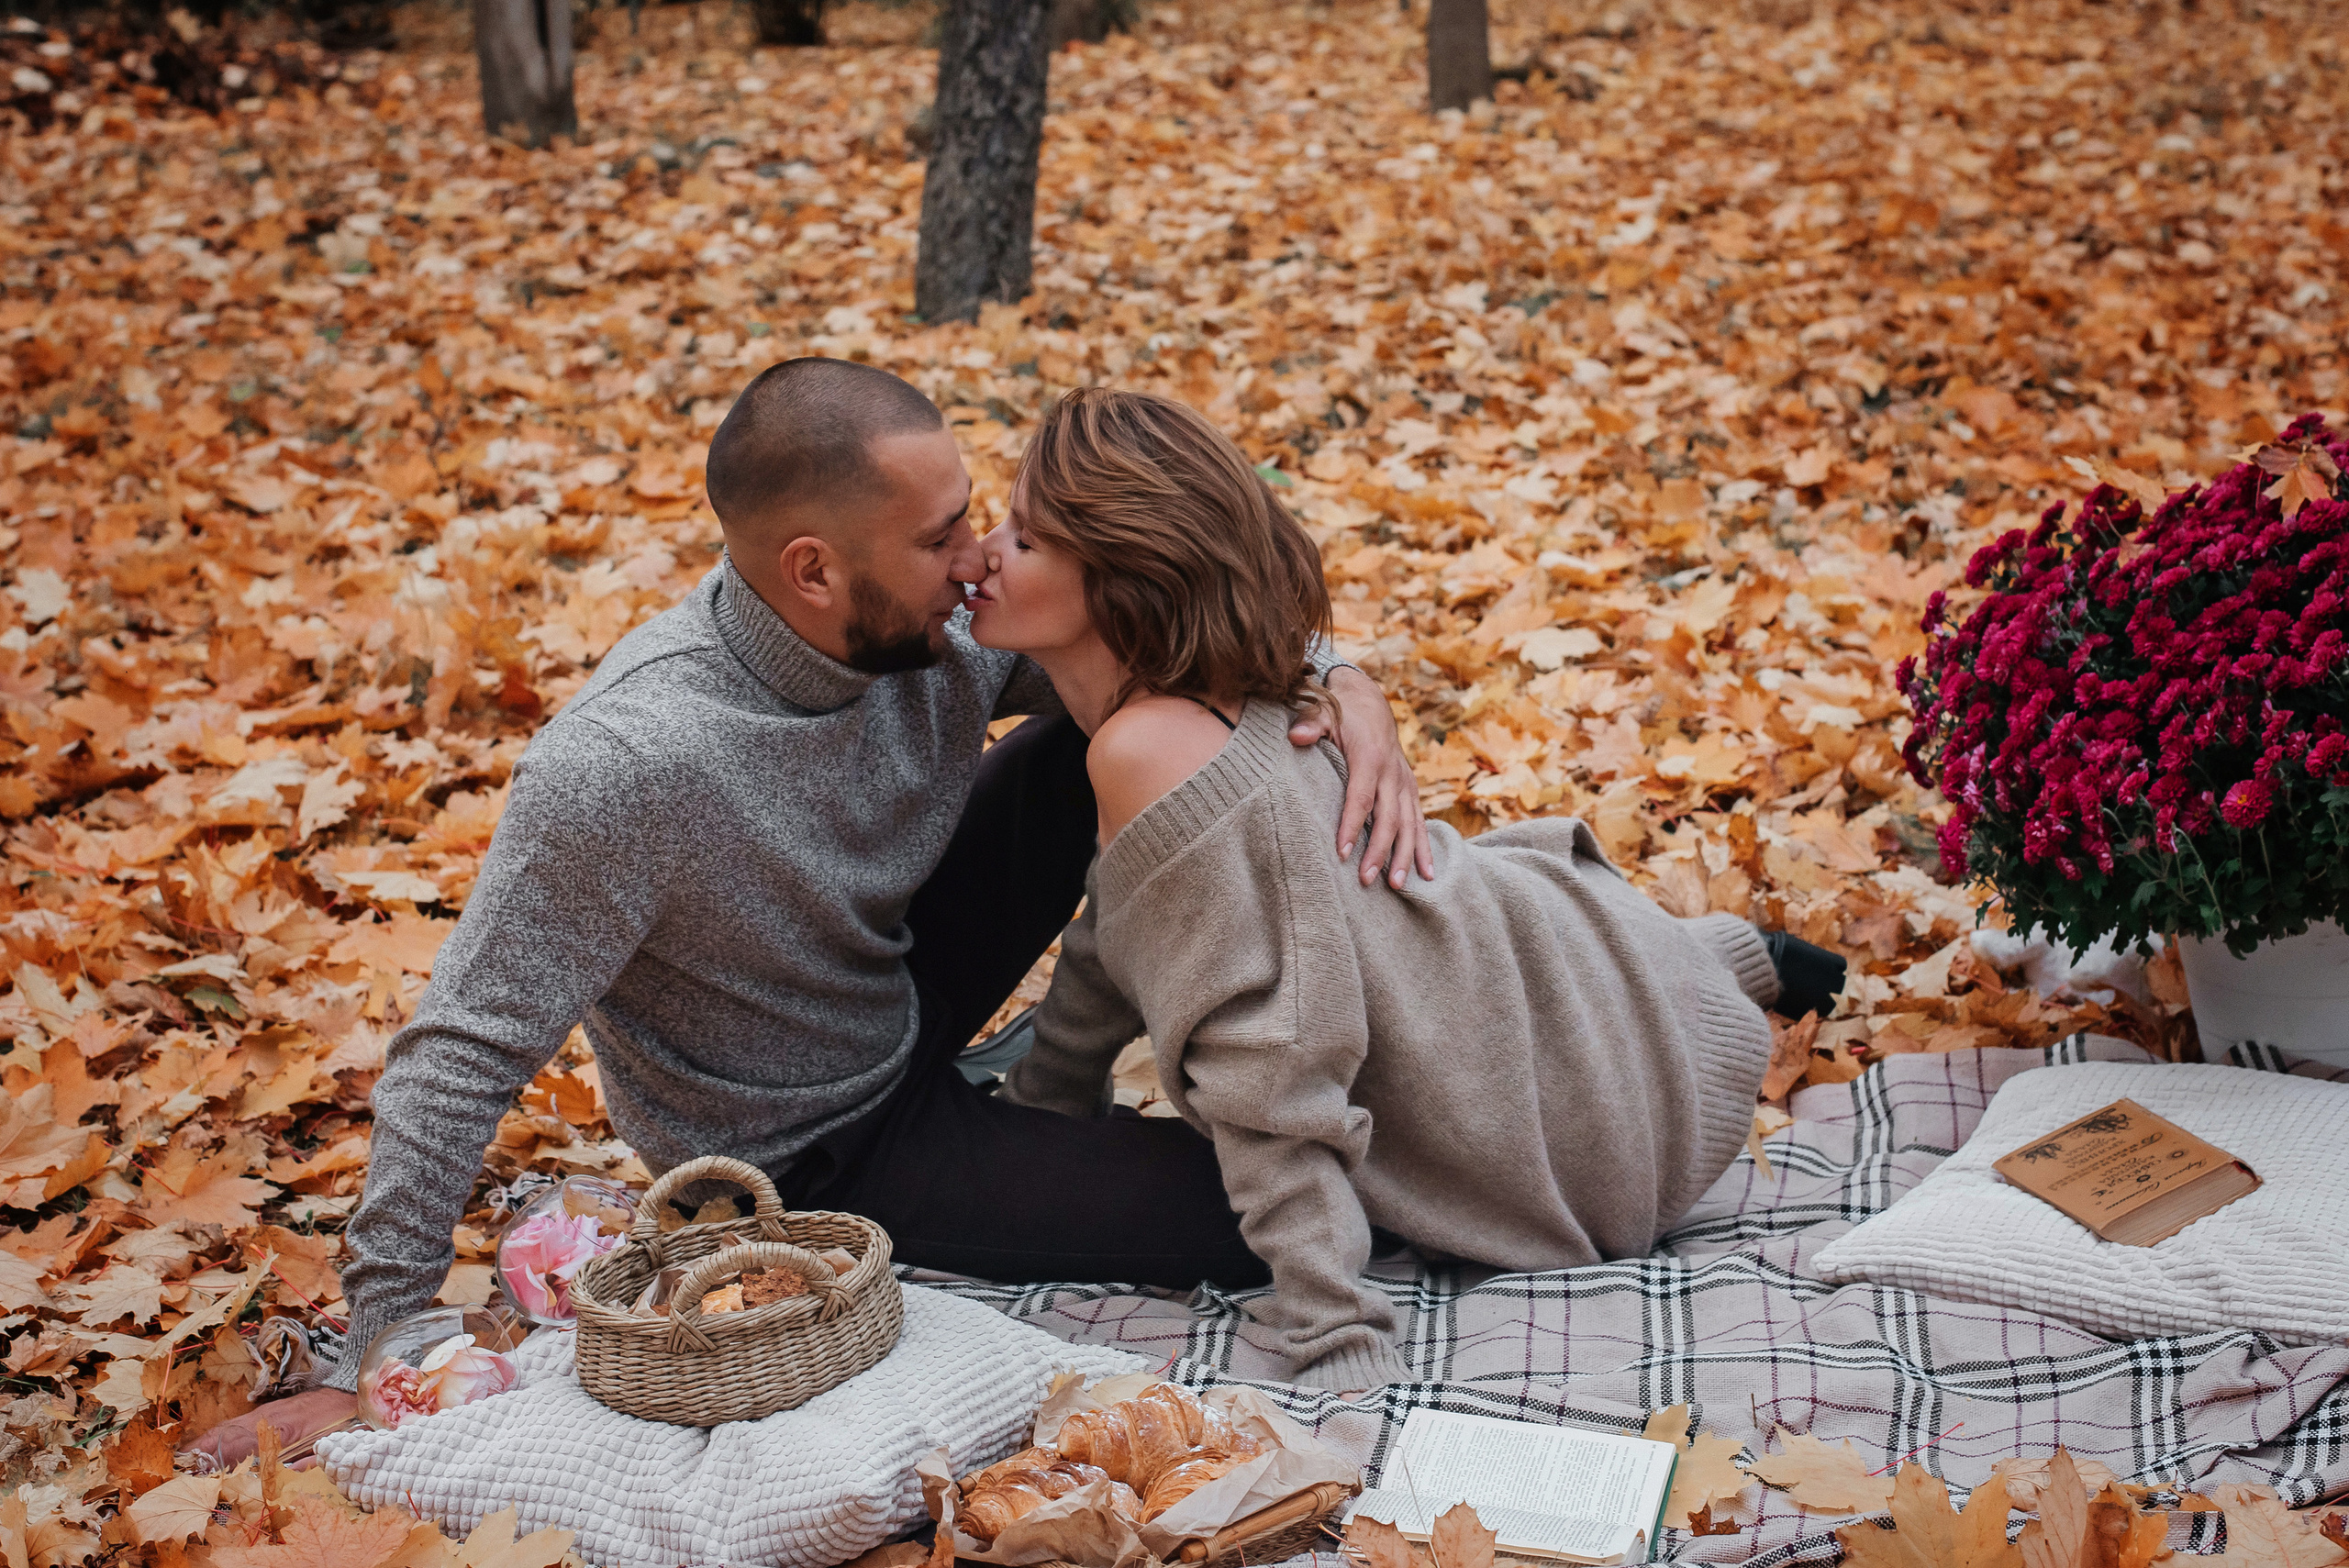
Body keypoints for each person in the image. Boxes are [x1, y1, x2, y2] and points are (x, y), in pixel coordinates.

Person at [187, 360, 1430, 1464]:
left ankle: (1222, 1042)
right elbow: (457, 1053)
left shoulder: (929, 621)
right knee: (1270, 1210)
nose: (978, 560)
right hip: (822, 1138)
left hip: (896, 980)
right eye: (942, 536)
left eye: (974, 517)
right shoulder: (628, 767)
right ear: (814, 570)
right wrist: (385, 1346)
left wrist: (1335, 678)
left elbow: (1154, 630)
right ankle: (1195, 1135)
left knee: (1100, 734)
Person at [969, 389, 1843, 1393]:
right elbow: (1118, 922)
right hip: (1510, 955)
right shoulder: (1209, 686)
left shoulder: (1142, 747)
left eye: (1023, 539)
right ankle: (1738, 953)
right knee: (1562, 926)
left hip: (1577, 1115)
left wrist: (1337, 1333)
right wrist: (1048, 1095)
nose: (984, 553)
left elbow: (1267, 1072)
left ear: (1127, 579)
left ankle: (1725, 959)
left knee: (1557, 940)